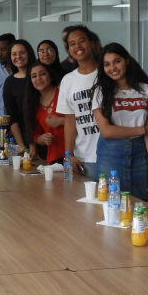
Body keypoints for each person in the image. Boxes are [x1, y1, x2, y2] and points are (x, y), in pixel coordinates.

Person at [91, 43, 148, 200]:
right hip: (110, 155)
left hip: (141, 154)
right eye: (107, 64)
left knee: (142, 204)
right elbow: (107, 131)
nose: (112, 68)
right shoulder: (100, 92)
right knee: (109, 203)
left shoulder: (147, 90)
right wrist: (142, 130)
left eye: (117, 61)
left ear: (127, 61)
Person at [56, 25, 102, 179]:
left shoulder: (106, 73)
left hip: (111, 153)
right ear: (69, 49)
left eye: (82, 41)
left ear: (91, 43)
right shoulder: (68, 80)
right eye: (72, 44)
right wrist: (68, 155)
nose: (77, 46)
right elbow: (70, 120)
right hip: (83, 157)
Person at [25, 61, 65, 165]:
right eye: (34, 76)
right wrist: (41, 139)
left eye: (42, 74)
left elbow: (82, 120)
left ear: (50, 76)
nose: (38, 78)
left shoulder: (63, 93)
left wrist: (61, 121)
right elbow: (35, 134)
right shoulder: (33, 104)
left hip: (74, 156)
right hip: (53, 159)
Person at [3, 39, 36, 149]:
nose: (18, 57)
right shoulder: (9, 82)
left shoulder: (38, 76)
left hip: (44, 132)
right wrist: (21, 145)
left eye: (22, 53)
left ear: (29, 53)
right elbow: (12, 116)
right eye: (14, 54)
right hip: (23, 134)